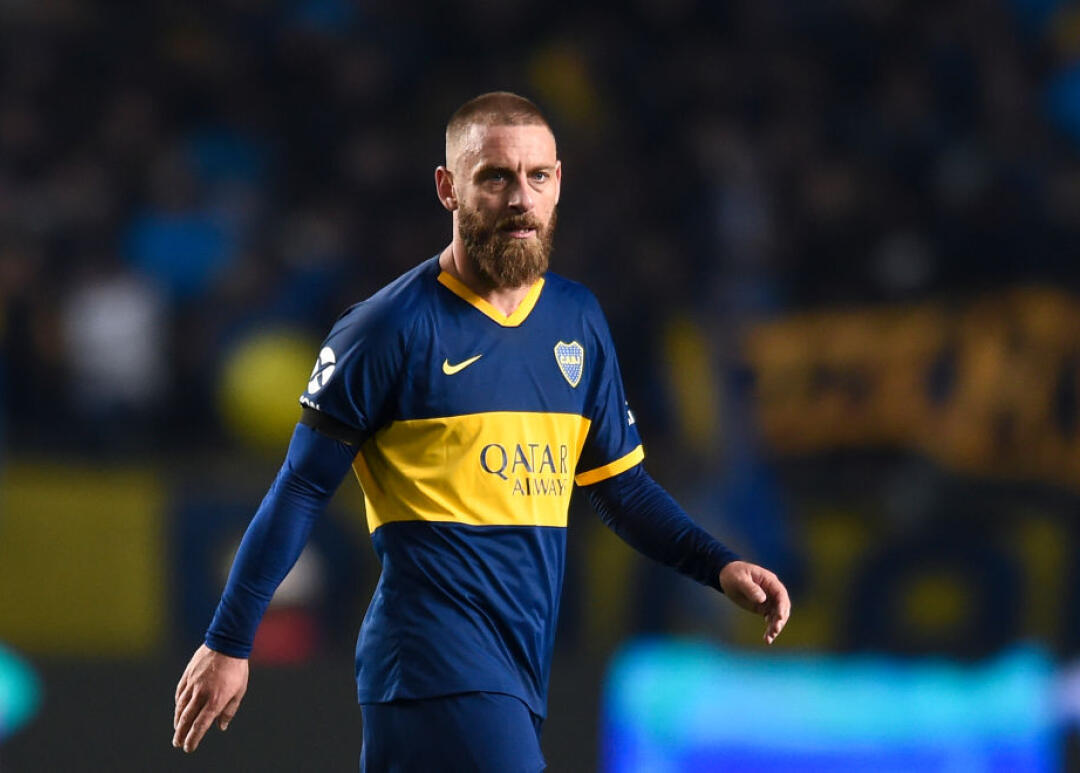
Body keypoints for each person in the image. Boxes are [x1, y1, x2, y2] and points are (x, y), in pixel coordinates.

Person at [172, 91, 791, 771]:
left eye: (538, 176)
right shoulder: (387, 329)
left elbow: (622, 489)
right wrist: (229, 640)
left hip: (510, 670)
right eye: (496, 177)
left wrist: (717, 565)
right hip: (435, 663)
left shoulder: (576, 320)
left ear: (559, 184)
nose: (521, 198)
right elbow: (300, 488)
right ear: (449, 187)